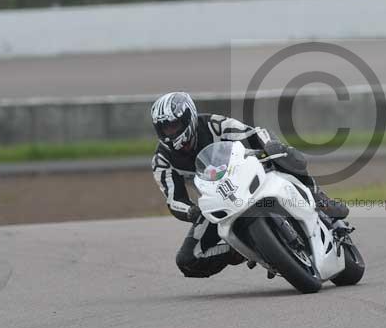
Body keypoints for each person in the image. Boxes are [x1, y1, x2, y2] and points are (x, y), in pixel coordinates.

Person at [150, 91, 349, 279]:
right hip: (217, 200)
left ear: (188, 118)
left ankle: (319, 198)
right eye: (164, 128)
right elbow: (174, 199)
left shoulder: (214, 124)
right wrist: (190, 211)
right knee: (187, 261)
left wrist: (269, 146)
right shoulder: (162, 160)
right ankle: (242, 250)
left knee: (282, 154)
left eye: (174, 125)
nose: (170, 132)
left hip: (243, 173)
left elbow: (251, 133)